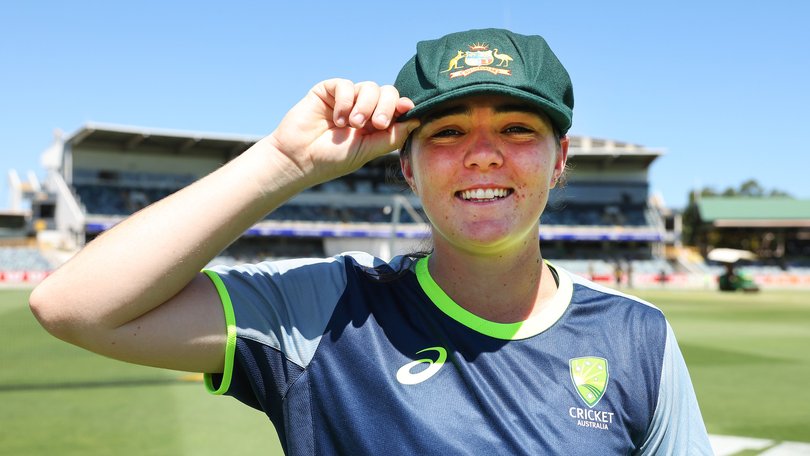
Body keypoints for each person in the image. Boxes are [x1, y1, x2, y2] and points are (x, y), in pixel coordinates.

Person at [30, 28, 711, 455]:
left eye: (515, 129)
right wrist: (284, 161)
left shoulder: (636, 337)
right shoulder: (326, 311)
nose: (481, 155)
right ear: (406, 165)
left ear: (560, 159)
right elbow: (72, 305)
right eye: (445, 132)